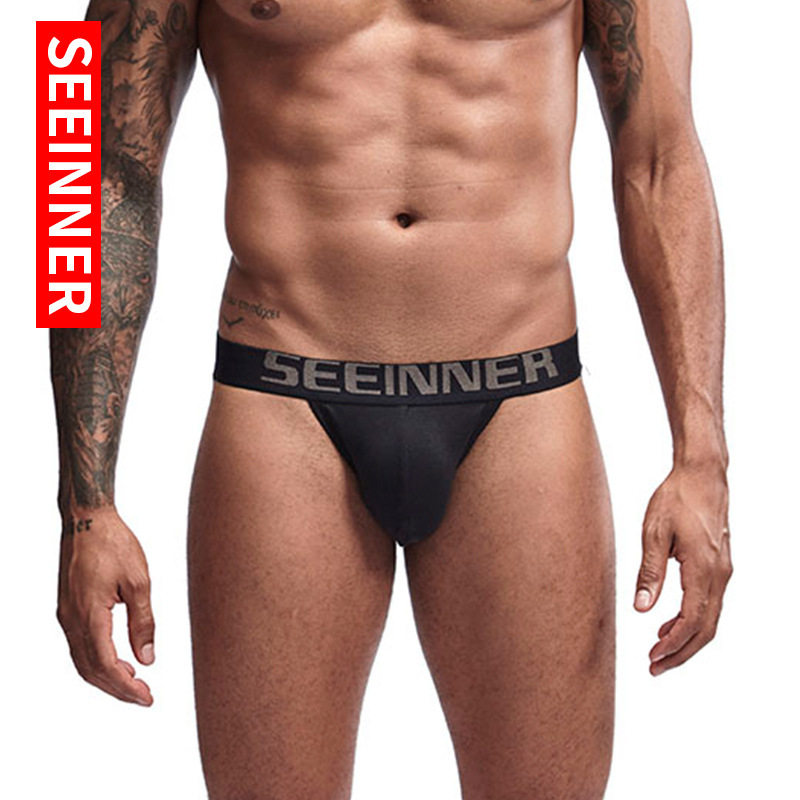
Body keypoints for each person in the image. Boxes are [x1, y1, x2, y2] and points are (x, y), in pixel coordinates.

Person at [50, 0, 733, 797]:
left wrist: (702, 456)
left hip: (522, 398)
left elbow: (662, 156)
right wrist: (84, 508)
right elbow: (85, 167)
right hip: (283, 398)